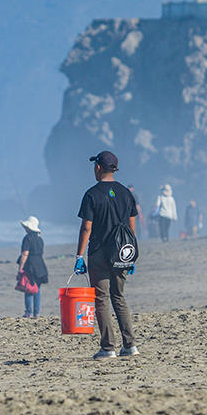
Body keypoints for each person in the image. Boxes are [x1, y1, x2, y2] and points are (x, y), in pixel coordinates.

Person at [74, 150, 139, 359]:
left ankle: (108, 347)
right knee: (119, 297)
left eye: (95, 166)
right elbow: (131, 226)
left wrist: (79, 256)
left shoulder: (92, 194)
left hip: (99, 253)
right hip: (122, 252)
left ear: (99, 167)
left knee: (101, 299)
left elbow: (86, 228)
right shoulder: (126, 193)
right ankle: (130, 345)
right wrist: (130, 254)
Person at [16, 216, 48, 318]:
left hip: (31, 266)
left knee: (28, 289)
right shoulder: (40, 239)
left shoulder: (27, 238)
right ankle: (36, 313)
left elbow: (25, 254)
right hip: (40, 266)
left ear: (29, 228)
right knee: (37, 289)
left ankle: (28, 312)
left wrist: (20, 268)